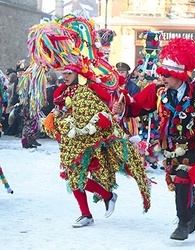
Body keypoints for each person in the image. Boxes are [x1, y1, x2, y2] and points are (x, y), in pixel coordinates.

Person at [26, 13, 151, 228]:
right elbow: (62, 114)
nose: (64, 76)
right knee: (72, 177)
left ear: (77, 73)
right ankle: (98, 203)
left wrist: (87, 125)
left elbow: (99, 116)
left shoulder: (86, 92)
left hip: (84, 141)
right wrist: (56, 120)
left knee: (75, 176)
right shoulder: (64, 92)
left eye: (68, 72)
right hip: (68, 142)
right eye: (62, 73)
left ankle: (95, 206)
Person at [112, 37, 195, 241]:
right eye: (162, 74)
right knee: (178, 182)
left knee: (183, 178)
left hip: (194, 144)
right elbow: (139, 108)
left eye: (167, 75)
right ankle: (194, 213)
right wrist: (124, 108)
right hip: (170, 145)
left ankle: (182, 222)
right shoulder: (157, 92)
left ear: (179, 75)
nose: (163, 78)